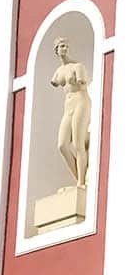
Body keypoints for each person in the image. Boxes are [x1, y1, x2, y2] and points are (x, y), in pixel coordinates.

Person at [51, 37, 91, 187]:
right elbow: (55, 82)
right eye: (62, 46)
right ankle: (80, 177)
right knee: (62, 145)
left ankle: (81, 182)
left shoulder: (78, 66)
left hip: (81, 101)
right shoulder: (58, 72)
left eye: (66, 46)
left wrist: (78, 80)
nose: (65, 49)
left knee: (78, 143)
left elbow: (82, 84)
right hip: (68, 106)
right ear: (56, 50)